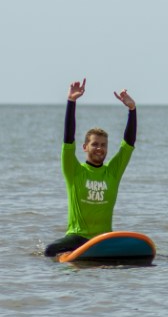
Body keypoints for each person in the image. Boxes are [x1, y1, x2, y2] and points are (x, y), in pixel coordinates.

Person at [45, 79, 137, 257]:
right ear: (85, 147)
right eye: (95, 144)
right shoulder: (73, 170)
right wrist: (71, 102)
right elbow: (68, 138)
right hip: (77, 237)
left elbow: (128, 144)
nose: (100, 149)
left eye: (103, 145)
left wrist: (132, 110)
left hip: (103, 238)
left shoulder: (112, 172)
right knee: (49, 251)